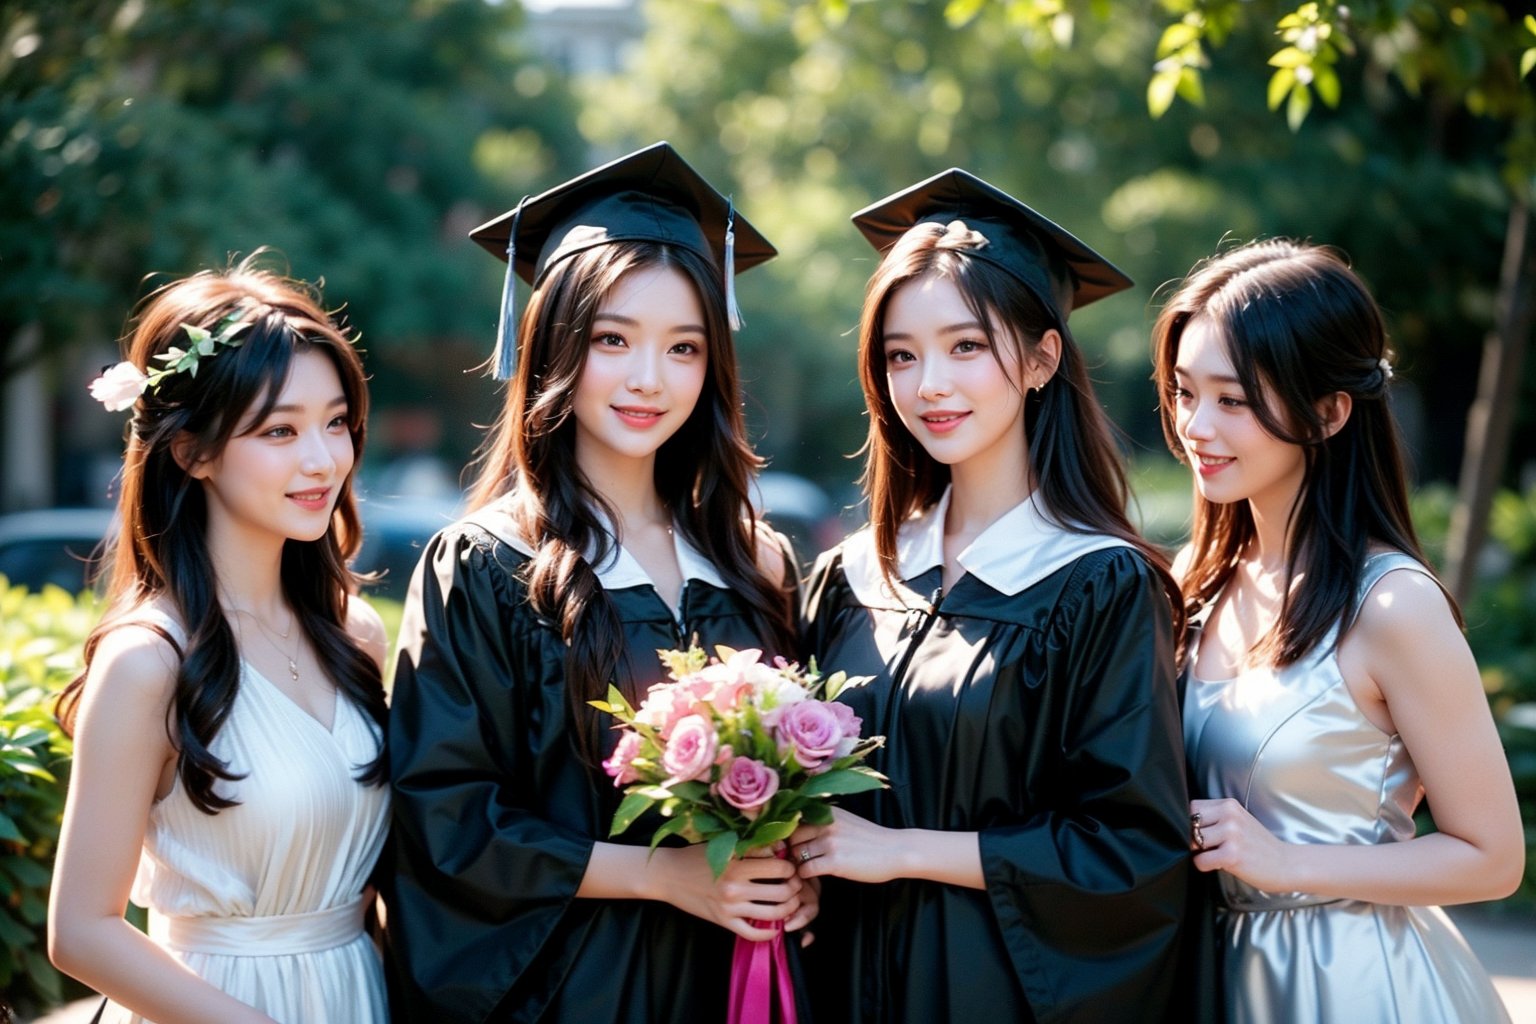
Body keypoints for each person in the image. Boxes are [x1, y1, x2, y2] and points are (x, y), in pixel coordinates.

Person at [386, 142, 811, 1024]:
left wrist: (792, 877)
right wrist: (663, 876)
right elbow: (448, 822)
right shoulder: (485, 565)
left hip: (736, 983)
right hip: (571, 989)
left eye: (683, 346)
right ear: (553, 346)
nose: (649, 378)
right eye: (613, 339)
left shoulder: (752, 562)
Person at [790, 169, 1194, 1023]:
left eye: (966, 346)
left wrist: (902, 853)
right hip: (845, 985)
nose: (929, 383)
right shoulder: (854, 575)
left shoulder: (1098, 584)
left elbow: (1130, 850)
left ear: (1043, 357)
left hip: (989, 989)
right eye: (902, 355)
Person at [1158, 238, 1523, 1022]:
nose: (1196, 425)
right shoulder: (1195, 579)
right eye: (1185, 392)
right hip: (1211, 976)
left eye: (1232, 400)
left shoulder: (1392, 606)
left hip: (1353, 982)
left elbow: (1493, 858)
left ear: (1328, 412)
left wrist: (1287, 861)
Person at [49, 256, 390, 1024]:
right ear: (191, 451)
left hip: (359, 994)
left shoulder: (355, 636)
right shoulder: (149, 661)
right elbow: (79, 932)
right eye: (279, 430)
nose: (321, 459)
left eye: (335, 422)